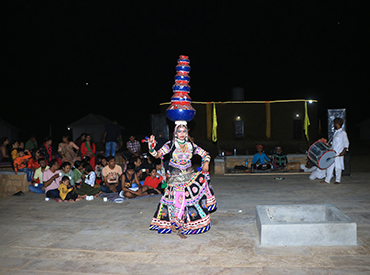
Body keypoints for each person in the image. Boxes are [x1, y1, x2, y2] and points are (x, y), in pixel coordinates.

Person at [148, 120, 217, 238]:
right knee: (179, 201)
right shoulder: (171, 144)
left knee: (192, 197)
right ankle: (177, 225)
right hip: (176, 178)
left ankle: (186, 223)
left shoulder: (191, 145)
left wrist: (206, 162)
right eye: (179, 131)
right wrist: (151, 148)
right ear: (175, 132)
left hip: (189, 177)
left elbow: (206, 154)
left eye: (184, 131)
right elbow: (158, 155)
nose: (182, 133)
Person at [322, 118, 349, 184]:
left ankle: (338, 180)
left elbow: (346, 143)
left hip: (338, 153)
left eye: (335, 123)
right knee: (330, 166)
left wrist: (343, 152)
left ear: (337, 124)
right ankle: (327, 180)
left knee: (338, 166)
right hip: (332, 152)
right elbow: (334, 142)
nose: (334, 124)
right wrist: (329, 144)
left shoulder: (343, 133)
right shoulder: (336, 132)